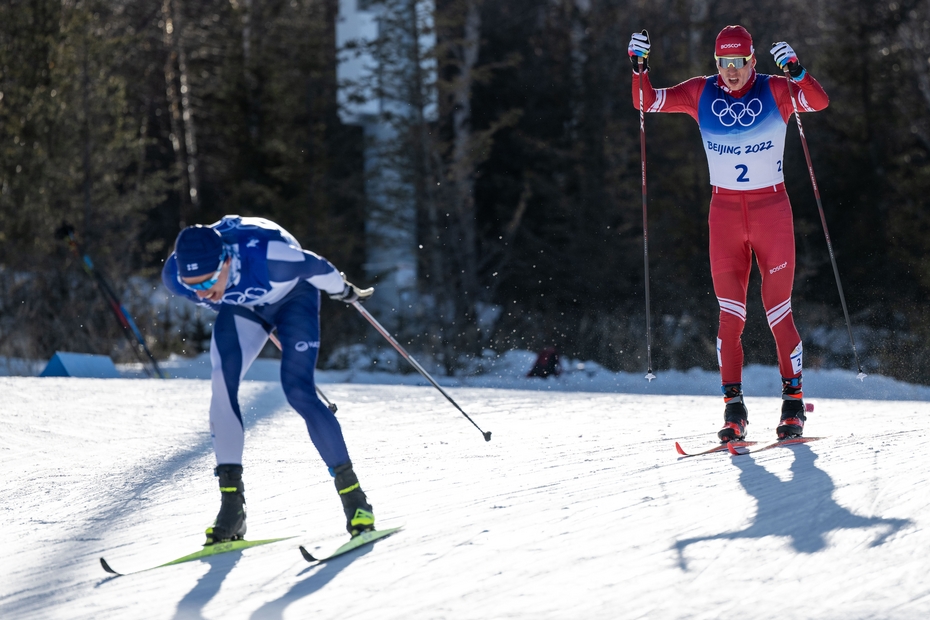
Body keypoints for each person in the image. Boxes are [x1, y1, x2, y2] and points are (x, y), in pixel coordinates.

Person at [628, 26, 829, 442]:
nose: (731, 71)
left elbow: (817, 100)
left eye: (738, 62)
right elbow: (645, 101)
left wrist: (796, 70)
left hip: (771, 212)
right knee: (729, 317)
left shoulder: (775, 89)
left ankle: (793, 405)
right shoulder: (701, 92)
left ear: (753, 61)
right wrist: (638, 68)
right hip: (723, 216)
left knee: (778, 312)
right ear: (715, 62)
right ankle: (733, 409)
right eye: (724, 62)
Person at [162, 215, 376, 543]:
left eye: (207, 283)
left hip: (293, 298)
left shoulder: (272, 257)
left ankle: (355, 502)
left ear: (226, 261)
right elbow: (209, 291)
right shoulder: (177, 277)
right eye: (194, 288)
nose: (204, 294)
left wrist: (345, 291)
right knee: (221, 385)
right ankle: (232, 509)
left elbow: (317, 267)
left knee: (298, 392)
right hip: (245, 308)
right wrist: (222, 294)